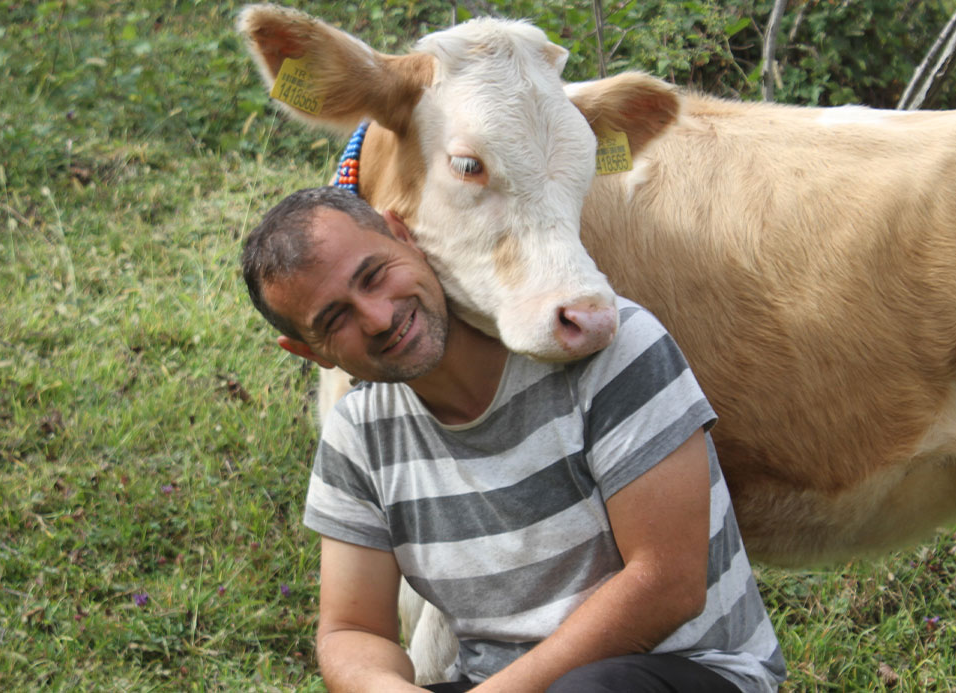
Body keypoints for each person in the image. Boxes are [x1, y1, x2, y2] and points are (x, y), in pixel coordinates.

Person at [241, 186, 785, 693]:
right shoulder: (357, 435)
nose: (380, 317)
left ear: (401, 234)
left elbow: (667, 583)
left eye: (374, 274)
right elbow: (350, 629)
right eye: (336, 318)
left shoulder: (604, 345)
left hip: (686, 670)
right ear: (311, 352)